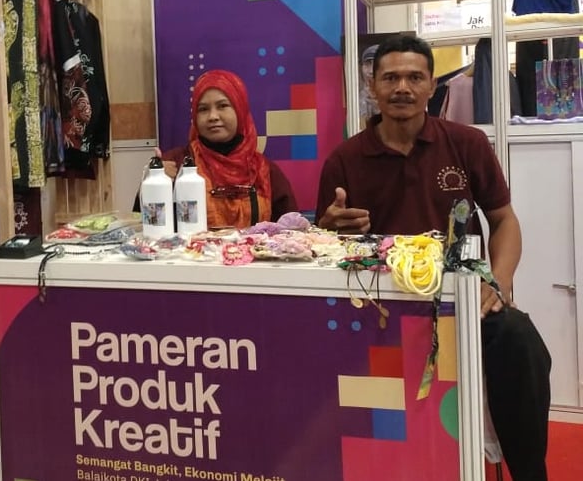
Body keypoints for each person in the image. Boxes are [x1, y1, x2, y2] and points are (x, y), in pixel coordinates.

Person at [315, 35, 551, 481]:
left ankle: (530, 473)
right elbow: (325, 247)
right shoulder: (344, 160)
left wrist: (497, 283)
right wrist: (328, 230)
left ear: (431, 85)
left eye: (414, 77)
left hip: (459, 301)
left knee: (519, 340)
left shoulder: (467, 143)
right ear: (373, 86)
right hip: (377, 306)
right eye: (390, 78)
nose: (402, 87)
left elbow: (504, 221)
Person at [156, 69, 298, 229]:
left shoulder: (264, 171)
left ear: (240, 109)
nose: (212, 116)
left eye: (222, 106)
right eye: (203, 109)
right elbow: (147, 224)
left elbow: (292, 232)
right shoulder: (176, 163)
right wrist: (154, 183)